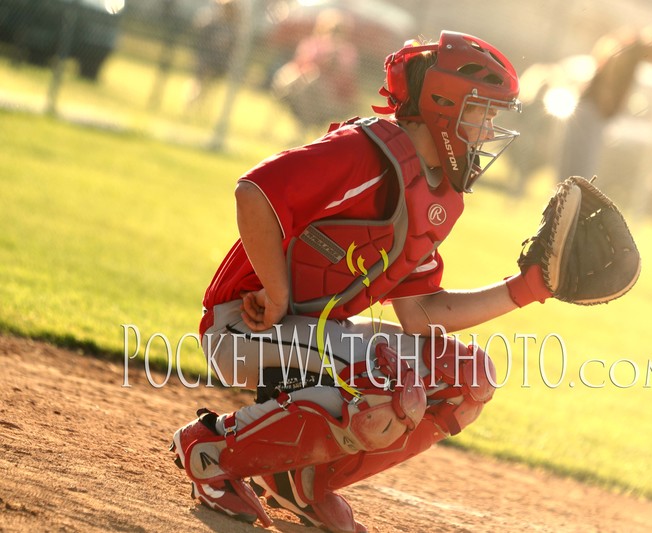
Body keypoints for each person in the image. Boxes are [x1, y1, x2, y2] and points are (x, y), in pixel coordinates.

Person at [170, 31, 555, 532]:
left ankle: (300, 482)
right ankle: (213, 450)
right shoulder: (362, 151)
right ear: (443, 106)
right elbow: (254, 192)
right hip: (242, 326)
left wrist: (527, 288)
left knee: (465, 377)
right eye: (482, 113)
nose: (487, 130)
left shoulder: (436, 194)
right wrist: (278, 290)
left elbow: (421, 313)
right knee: (388, 382)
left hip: (313, 335)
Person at [558, 25, 652, 181]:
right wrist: (607, 98)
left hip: (592, 111)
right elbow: (614, 59)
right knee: (578, 173)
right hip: (592, 111)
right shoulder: (633, 47)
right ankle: (563, 204)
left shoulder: (633, 47)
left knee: (576, 170)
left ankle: (564, 202)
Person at [270, 8, 360, 126]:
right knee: (309, 79)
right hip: (300, 90)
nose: (334, 34)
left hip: (329, 98)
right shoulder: (310, 44)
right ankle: (305, 126)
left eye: (339, 31)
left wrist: (332, 63)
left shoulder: (348, 52)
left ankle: (304, 126)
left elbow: (346, 80)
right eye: (331, 29)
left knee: (313, 81)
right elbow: (299, 65)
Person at [185, 0, 240, 113]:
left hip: (220, 64)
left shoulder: (234, 28)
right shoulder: (211, 21)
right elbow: (199, 38)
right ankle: (191, 102)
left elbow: (234, 50)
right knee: (198, 82)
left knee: (205, 85)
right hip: (205, 60)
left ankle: (198, 106)